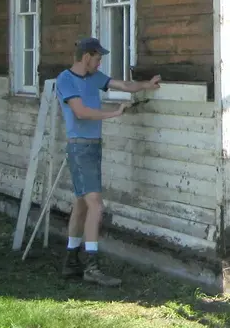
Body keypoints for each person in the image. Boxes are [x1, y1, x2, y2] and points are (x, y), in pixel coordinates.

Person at [57, 37, 161, 285]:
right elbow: (81, 113)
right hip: (80, 147)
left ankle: (71, 262)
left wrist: (148, 84)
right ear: (86, 57)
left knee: (82, 204)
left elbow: (122, 84)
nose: (100, 61)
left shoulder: (94, 77)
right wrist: (114, 113)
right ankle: (92, 267)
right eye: (97, 57)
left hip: (93, 147)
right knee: (96, 206)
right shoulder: (66, 79)